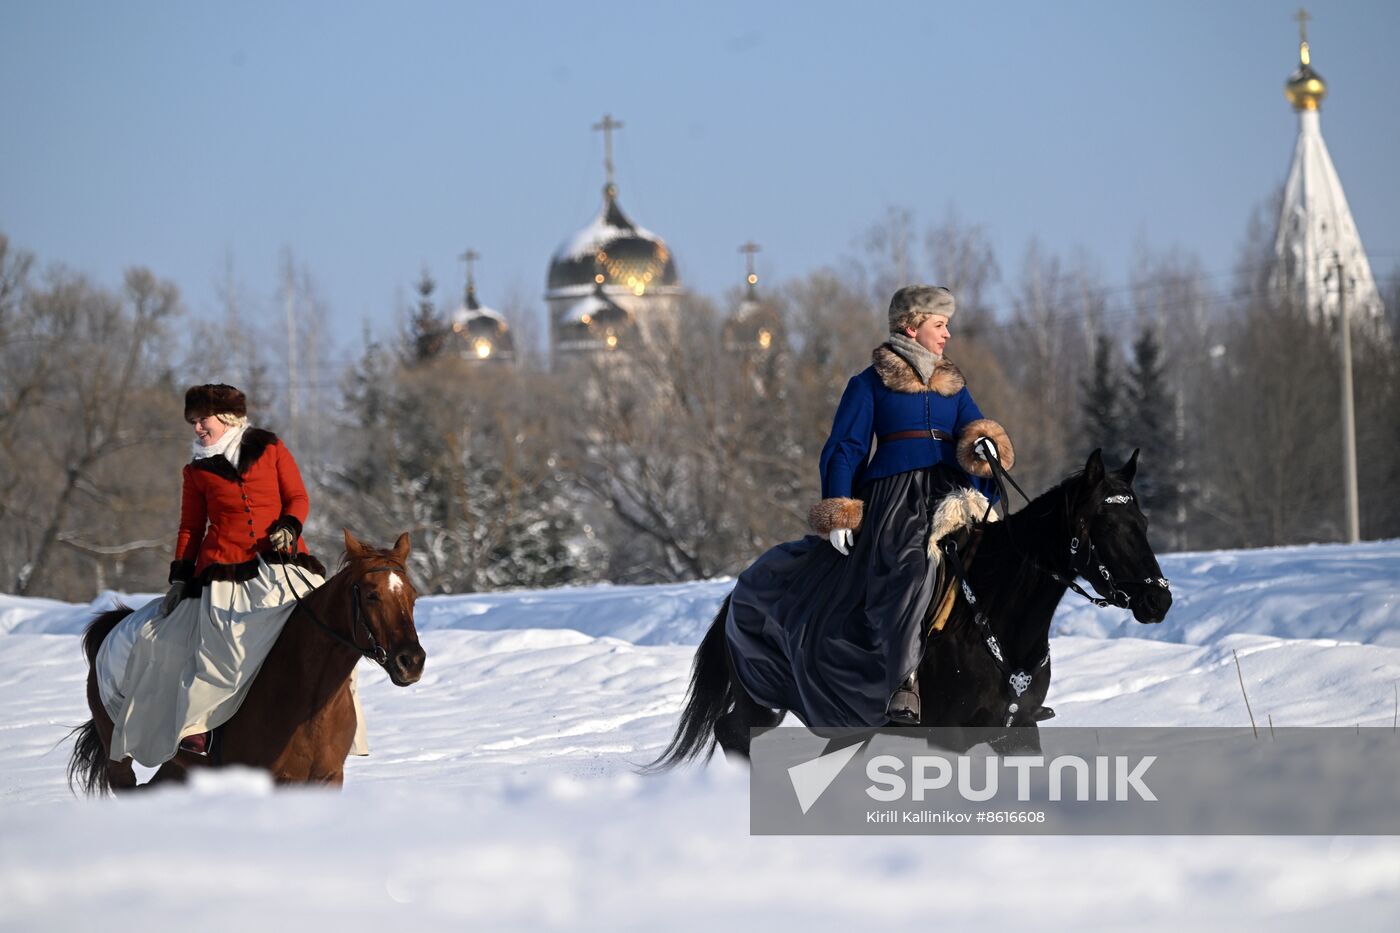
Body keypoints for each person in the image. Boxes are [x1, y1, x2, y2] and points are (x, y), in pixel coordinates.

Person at [725, 286, 1014, 727]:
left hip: (952, 494)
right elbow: (845, 448)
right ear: (912, 326)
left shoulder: (954, 384)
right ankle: (904, 683)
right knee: (912, 567)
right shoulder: (868, 384)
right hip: (898, 500)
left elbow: (973, 427)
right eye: (940, 325)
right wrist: (840, 509)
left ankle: (1010, 677)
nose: (948, 334)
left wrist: (984, 442)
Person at [97, 384, 364, 766]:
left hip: (284, 565)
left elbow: (298, 497)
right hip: (224, 573)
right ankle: (198, 728)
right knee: (223, 654)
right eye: (193, 423)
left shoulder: (270, 447)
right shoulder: (196, 471)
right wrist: (180, 577)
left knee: (330, 637)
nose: (197, 429)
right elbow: (190, 527)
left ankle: (332, 721)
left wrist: (289, 525)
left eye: (201, 420)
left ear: (225, 418)